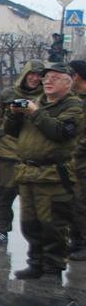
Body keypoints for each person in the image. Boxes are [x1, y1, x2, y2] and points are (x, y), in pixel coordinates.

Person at [4, 63, 83, 280]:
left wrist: (35, 113)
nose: (47, 81)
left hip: (53, 176)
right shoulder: (36, 103)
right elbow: (10, 132)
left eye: (55, 78)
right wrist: (14, 114)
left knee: (53, 225)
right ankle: (36, 263)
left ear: (68, 83)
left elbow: (60, 132)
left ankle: (52, 268)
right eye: (46, 77)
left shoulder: (73, 106)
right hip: (28, 173)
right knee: (29, 223)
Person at [0, 60, 44, 248]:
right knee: (5, 196)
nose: (34, 78)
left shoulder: (45, 97)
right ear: (25, 74)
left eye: (38, 75)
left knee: (33, 200)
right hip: (8, 154)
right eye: (31, 74)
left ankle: (36, 237)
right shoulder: (8, 95)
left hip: (33, 156)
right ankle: (1, 231)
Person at [69, 60, 86, 261]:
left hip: (82, 161)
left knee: (82, 203)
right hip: (75, 162)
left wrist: (75, 150)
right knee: (74, 202)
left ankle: (82, 244)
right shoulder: (76, 99)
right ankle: (76, 241)